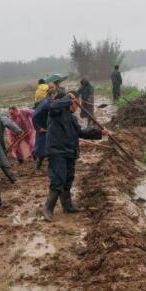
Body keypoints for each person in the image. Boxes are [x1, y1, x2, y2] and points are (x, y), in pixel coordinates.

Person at [41, 92, 108, 220]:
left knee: (68, 179)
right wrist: (68, 98)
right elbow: (52, 106)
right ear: (71, 102)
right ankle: (48, 209)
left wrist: (100, 132)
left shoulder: (72, 118)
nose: (78, 106)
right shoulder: (55, 113)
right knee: (58, 179)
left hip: (69, 152)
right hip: (57, 152)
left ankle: (67, 206)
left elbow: (81, 132)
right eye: (77, 103)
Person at [0, 110, 21, 183]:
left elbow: (0, 141)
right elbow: (8, 123)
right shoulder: (1, 115)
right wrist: (18, 130)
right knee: (1, 159)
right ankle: (13, 179)